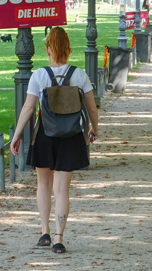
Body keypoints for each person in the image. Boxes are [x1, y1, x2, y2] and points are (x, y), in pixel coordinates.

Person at [10, 27, 99, 255]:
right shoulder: (79, 75)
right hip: (71, 137)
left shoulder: (39, 76)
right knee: (62, 190)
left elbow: (29, 107)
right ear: (68, 50)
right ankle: (59, 238)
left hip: (45, 136)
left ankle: (44, 232)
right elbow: (91, 108)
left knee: (43, 185)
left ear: (48, 49)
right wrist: (94, 130)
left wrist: (17, 134)